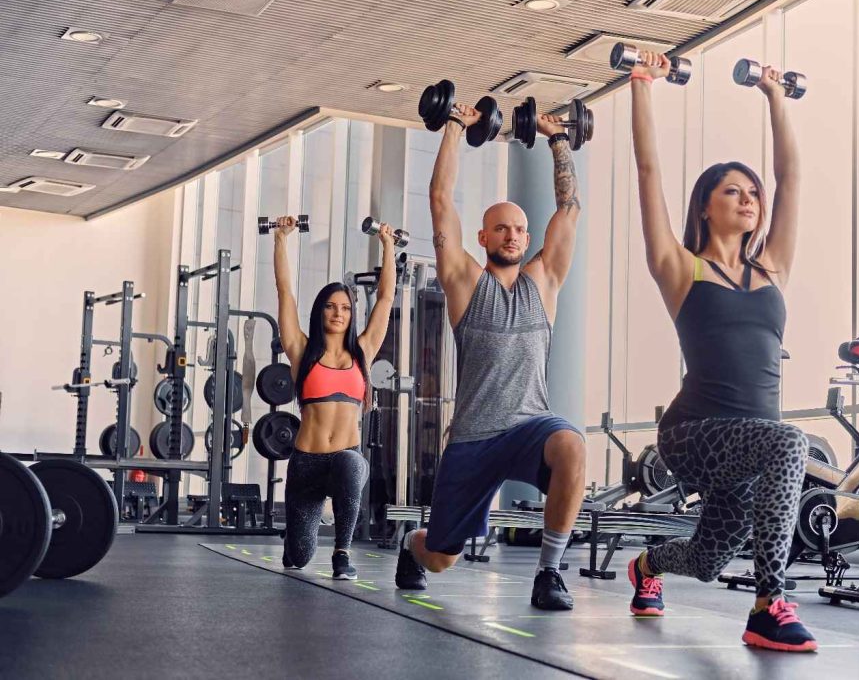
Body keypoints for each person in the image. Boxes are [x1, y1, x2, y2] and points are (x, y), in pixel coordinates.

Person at [623, 51, 816, 652]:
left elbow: (791, 177)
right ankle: (767, 608)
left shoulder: (772, 267)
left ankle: (647, 567)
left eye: (752, 192)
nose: (748, 199)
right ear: (705, 205)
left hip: (750, 445)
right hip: (693, 433)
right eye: (732, 191)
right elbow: (649, 172)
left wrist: (775, 96)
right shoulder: (680, 268)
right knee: (792, 441)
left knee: (707, 559)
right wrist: (641, 83)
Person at [393, 102, 587, 610]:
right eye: (501, 228)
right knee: (441, 558)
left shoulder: (544, 281)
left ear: (528, 238)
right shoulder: (464, 281)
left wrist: (556, 138)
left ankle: (549, 573)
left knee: (571, 445)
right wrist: (455, 125)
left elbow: (569, 211)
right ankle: (411, 544)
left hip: (529, 426)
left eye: (519, 229)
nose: (512, 235)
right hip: (474, 437)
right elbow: (440, 200)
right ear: (483, 238)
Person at [274, 216, 396, 580]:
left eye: (344, 307)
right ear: (320, 311)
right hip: (306, 463)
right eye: (330, 306)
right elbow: (285, 293)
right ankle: (296, 541)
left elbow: (386, 298)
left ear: (351, 314)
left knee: (352, 464)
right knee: (298, 558)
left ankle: (342, 553)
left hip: (345, 455)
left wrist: (388, 245)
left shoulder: (363, 352)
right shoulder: (301, 351)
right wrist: (280, 239)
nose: (338, 313)